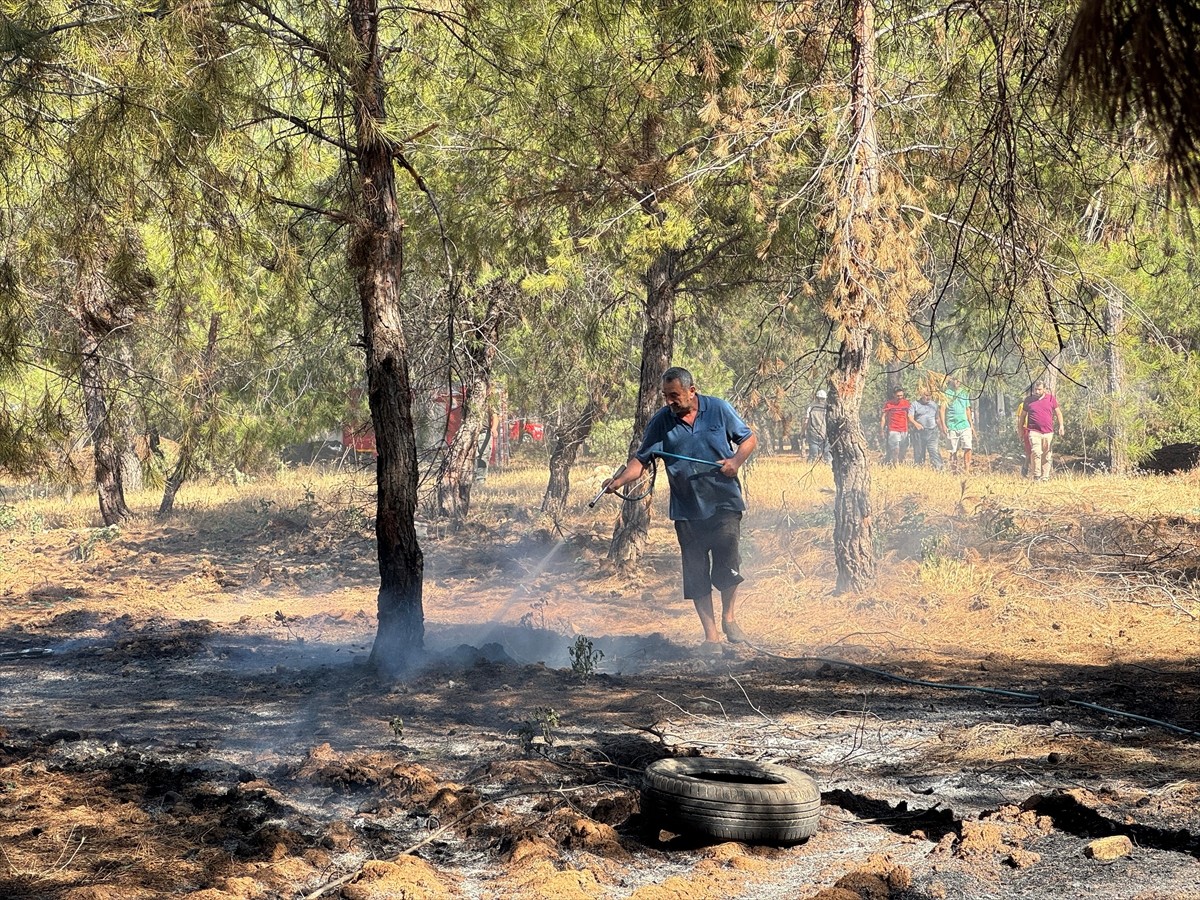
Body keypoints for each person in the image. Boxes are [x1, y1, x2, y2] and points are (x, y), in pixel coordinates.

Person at [602, 367, 757, 654]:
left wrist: (735, 462)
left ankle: (729, 618)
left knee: (728, 566)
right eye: (665, 396)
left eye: (674, 395)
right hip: (687, 510)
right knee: (697, 574)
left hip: (724, 503)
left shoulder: (719, 409)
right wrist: (618, 481)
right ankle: (711, 638)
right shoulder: (661, 422)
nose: (669, 402)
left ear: (691, 391)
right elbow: (641, 461)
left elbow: (748, 439)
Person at [1020, 381, 1064, 480]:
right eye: (1035, 389)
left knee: (1047, 455)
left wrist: (1061, 426)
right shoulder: (1028, 400)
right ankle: (1036, 476)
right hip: (1034, 431)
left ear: (1044, 389)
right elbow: (1022, 416)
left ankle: (1045, 477)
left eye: (1039, 389)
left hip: (1048, 432)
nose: (1037, 391)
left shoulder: (1051, 399)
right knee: (1036, 452)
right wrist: (1020, 430)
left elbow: (1058, 413)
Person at [940, 375, 974, 474]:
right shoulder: (946, 393)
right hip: (952, 425)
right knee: (952, 450)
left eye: (959, 380)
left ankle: (967, 470)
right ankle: (954, 470)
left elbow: (967, 409)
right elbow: (942, 410)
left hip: (964, 424)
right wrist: (943, 425)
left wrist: (971, 425)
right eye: (955, 380)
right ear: (951, 380)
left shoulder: (965, 392)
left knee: (968, 446)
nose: (957, 382)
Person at [907, 386, 943, 470]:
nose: (928, 397)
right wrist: (916, 424)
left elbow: (937, 418)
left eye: (929, 395)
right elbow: (910, 417)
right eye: (926, 395)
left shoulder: (934, 405)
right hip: (919, 432)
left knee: (934, 450)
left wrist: (942, 430)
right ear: (922, 395)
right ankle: (919, 469)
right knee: (919, 452)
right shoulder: (915, 404)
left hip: (932, 432)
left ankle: (939, 469)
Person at [880, 387, 911, 465]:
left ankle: (901, 463)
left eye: (901, 395)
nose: (900, 397)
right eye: (898, 396)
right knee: (895, 449)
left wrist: (911, 426)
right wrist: (881, 430)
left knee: (903, 449)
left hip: (904, 429)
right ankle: (895, 465)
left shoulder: (906, 403)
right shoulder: (889, 404)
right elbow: (883, 417)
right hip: (893, 429)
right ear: (894, 395)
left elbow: (910, 416)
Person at [804, 390, 831, 463]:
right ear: (825, 398)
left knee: (813, 453)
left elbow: (806, 421)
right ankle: (828, 466)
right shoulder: (828, 408)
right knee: (827, 453)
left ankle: (810, 465)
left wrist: (803, 431)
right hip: (825, 433)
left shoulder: (810, 407)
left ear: (816, 398)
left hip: (813, 433)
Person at [1014, 384, 1034, 477]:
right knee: (1029, 451)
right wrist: (1020, 430)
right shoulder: (1023, 405)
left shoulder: (1037, 403)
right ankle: (1026, 467)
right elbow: (1019, 418)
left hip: (1035, 429)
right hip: (1026, 429)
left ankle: (1031, 468)